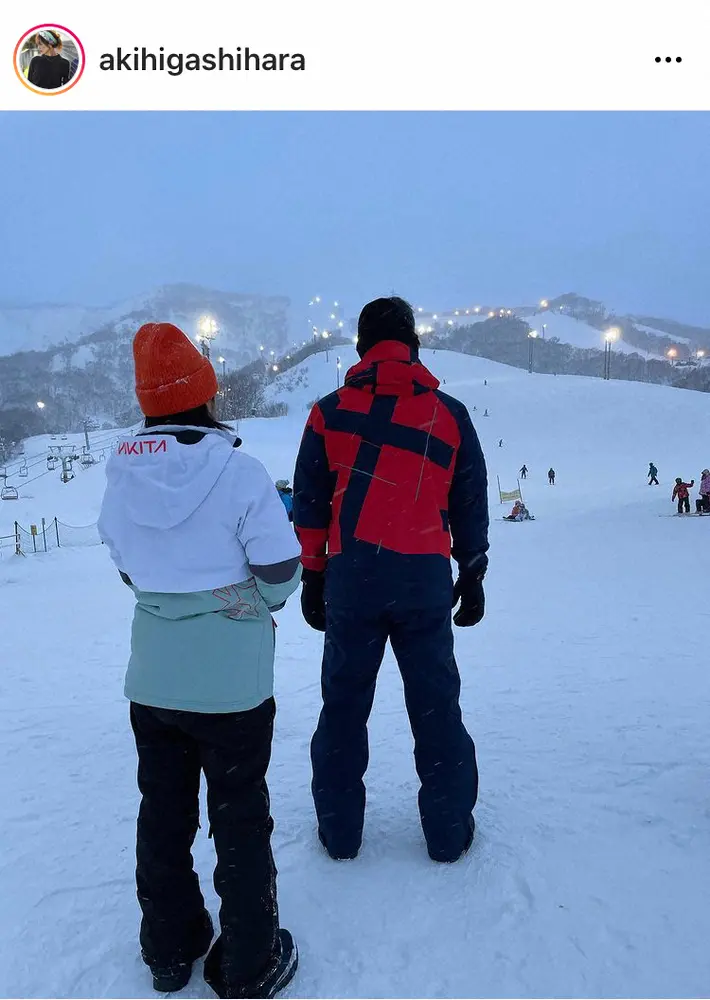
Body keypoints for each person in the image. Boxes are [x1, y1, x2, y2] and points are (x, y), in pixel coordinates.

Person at [98, 323, 300, 1000]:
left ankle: (168, 946)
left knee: (163, 811)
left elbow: (130, 571)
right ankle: (248, 962)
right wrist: (235, 595)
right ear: (206, 396)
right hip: (233, 687)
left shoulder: (122, 473)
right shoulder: (239, 473)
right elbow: (279, 576)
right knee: (239, 815)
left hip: (153, 681)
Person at [294, 296, 488, 865]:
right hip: (424, 578)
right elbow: (470, 499)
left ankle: (339, 833)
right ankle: (448, 832)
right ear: (414, 345)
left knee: (343, 707)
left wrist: (312, 575)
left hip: (352, 578)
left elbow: (308, 503)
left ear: (361, 347)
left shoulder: (328, 413)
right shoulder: (448, 414)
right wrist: (472, 569)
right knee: (436, 705)